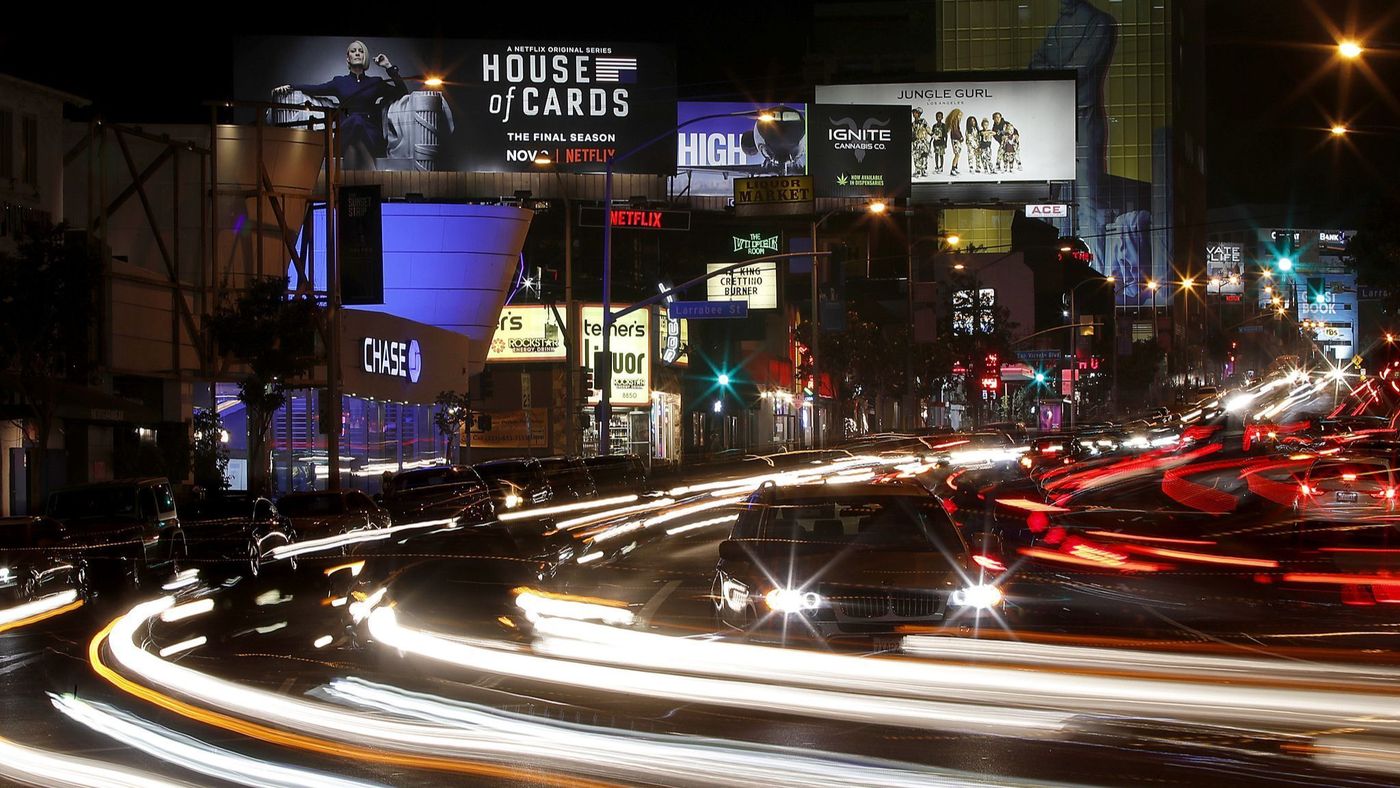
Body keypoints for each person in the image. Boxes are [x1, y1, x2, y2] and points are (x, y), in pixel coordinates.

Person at [276, 40, 408, 170]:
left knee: (354, 140)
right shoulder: (339, 82)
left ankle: (345, 187)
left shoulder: (376, 82)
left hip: (369, 132)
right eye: (353, 51)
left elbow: (402, 92)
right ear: (348, 58)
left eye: (361, 51)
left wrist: (388, 67)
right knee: (355, 124)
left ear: (365, 57)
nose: (357, 53)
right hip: (345, 128)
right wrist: (291, 87)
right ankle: (372, 178)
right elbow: (316, 89)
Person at [911, 108, 932, 177]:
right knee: (916, 157)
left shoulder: (923, 121)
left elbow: (928, 129)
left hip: (923, 142)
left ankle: (923, 170)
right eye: (913, 113)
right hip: (915, 142)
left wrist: (933, 135)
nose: (914, 114)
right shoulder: (913, 124)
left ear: (919, 114)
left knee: (924, 156)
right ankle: (918, 171)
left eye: (916, 112)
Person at [946, 108, 964, 176]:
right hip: (956, 140)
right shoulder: (954, 122)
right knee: (957, 155)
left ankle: (955, 168)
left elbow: (958, 130)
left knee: (958, 155)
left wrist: (961, 137)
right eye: (959, 115)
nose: (960, 117)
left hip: (956, 140)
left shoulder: (956, 122)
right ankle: (953, 169)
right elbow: (955, 132)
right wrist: (960, 137)